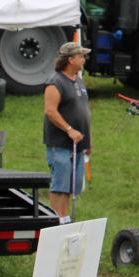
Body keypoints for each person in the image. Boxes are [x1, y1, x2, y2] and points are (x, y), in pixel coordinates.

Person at [43, 42, 92, 221]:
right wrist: (69, 129)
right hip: (60, 144)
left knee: (74, 184)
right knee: (61, 183)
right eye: (81, 56)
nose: (83, 59)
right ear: (70, 59)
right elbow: (50, 111)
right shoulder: (55, 82)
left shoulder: (79, 81)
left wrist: (88, 141)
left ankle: (65, 218)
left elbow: (83, 111)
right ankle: (59, 219)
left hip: (78, 144)